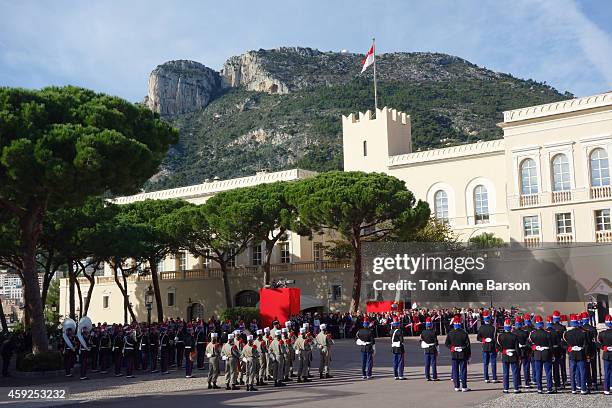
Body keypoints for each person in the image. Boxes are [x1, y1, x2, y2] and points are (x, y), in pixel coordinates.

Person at [563, 314, 588, 394]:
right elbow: (586, 345)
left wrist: (569, 348)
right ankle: (583, 389)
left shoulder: (567, 333)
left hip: (572, 354)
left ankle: (573, 389)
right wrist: (586, 353)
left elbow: (563, 343)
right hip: (581, 354)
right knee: (582, 372)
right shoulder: (583, 333)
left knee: (572, 372)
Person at [529, 315, 554, 394]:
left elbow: (529, 343)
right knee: (548, 372)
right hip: (546, 353)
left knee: (538, 372)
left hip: (537, 353)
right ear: (542, 324)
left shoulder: (532, 334)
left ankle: (539, 388)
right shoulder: (547, 333)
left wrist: (534, 347)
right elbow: (550, 346)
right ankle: (549, 388)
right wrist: (552, 354)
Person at [445, 316, 471, 392]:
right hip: (463, 353)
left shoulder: (450, 333)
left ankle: (456, 386)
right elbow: (468, 345)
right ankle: (464, 386)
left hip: (454, 353)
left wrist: (453, 348)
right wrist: (469, 355)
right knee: (463, 370)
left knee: (455, 370)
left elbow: (447, 344)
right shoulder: (464, 333)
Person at [497, 318, 520, 394]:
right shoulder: (515, 336)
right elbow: (517, 348)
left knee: (505, 373)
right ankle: (516, 388)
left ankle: (506, 388)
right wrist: (518, 356)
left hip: (505, 355)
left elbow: (497, 346)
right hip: (513, 355)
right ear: (510, 327)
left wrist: (503, 351)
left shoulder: (500, 336)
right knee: (515, 372)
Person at [477, 311, 498, 383]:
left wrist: (484, 340)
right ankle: (494, 378)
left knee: (485, 363)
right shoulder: (493, 328)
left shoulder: (481, 328)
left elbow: (478, 338)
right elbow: (495, 339)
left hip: (485, 347)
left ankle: (486, 378)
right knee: (493, 363)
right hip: (492, 347)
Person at [581, 311, 598, 390]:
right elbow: (596, 340)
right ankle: (594, 381)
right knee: (593, 366)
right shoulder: (593, 329)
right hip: (593, 349)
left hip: (585, 350)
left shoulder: (582, 329)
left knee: (587, 367)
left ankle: (589, 382)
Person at [597, 314, 612, 395]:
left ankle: (606, 389)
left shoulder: (602, 333)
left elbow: (598, 343)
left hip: (606, 354)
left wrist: (604, 347)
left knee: (607, 372)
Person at [551, 311, 567, 389]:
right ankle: (564, 379)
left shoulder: (551, 328)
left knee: (555, 366)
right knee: (562, 365)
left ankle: (556, 381)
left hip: (554, 349)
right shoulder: (562, 327)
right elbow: (564, 338)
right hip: (561, 348)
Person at [420, 316, 438, 381]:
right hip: (433, 348)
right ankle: (434, 377)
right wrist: (438, 350)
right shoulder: (434, 332)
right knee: (433, 363)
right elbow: (436, 342)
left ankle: (427, 376)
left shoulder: (423, 332)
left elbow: (421, 339)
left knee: (427, 363)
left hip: (426, 349)